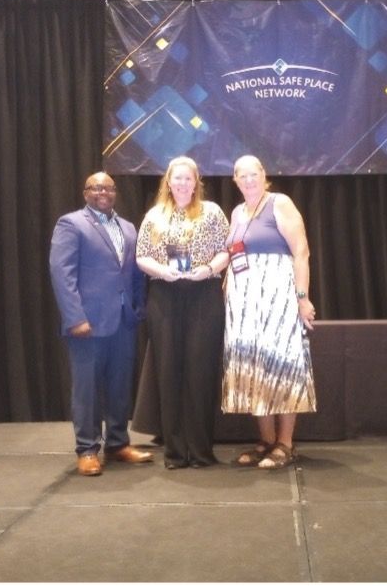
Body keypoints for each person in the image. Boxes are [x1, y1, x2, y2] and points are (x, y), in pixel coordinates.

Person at [49, 171, 152, 476]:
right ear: (86, 193)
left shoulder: (128, 227)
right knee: (88, 389)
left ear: (115, 193)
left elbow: (134, 273)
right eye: (96, 187)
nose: (103, 192)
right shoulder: (71, 224)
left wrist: (137, 308)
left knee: (119, 387)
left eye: (109, 188)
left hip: (122, 321)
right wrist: (75, 317)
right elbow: (62, 273)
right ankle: (87, 449)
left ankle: (118, 444)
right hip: (87, 323)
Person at [222, 155, 317, 469]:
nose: (249, 180)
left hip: (277, 299)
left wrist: (302, 298)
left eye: (254, 174)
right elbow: (234, 255)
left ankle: (285, 444)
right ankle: (265, 440)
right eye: (243, 175)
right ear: (235, 180)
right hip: (244, 304)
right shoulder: (237, 212)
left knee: (282, 365)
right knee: (254, 367)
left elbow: (301, 252)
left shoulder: (280, 203)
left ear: (264, 175)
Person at [136, 156, 229, 469]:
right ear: (168, 181)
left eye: (188, 178)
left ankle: (201, 451)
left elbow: (227, 250)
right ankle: (175, 453)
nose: (182, 183)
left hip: (204, 294)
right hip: (165, 296)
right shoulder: (154, 216)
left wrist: (208, 269)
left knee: (201, 373)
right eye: (177, 178)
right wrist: (162, 271)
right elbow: (141, 257)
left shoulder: (212, 212)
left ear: (196, 182)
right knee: (168, 372)